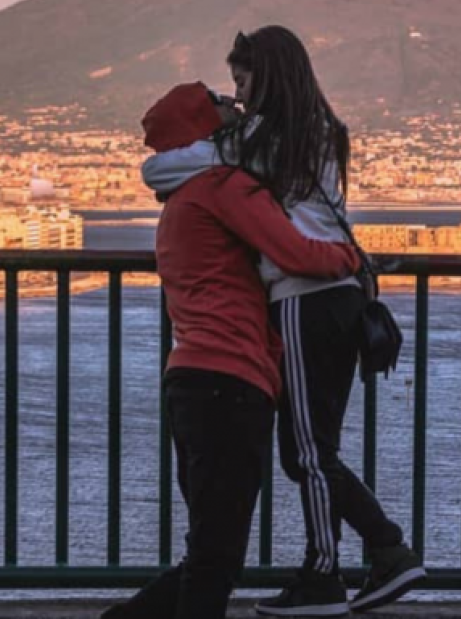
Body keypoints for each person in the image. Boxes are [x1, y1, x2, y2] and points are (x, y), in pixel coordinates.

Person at [142, 27, 424, 617]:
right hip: (338, 296)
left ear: (266, 75)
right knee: (311, 447)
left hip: (303, 295)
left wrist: (197, 140)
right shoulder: (320, 132)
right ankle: (376, 551)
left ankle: (332, 569)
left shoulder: (261, 139)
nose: (238, 97)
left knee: (308, 450)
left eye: (243, 80)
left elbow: (173, 167)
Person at [104, 83, 363, 619]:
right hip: (231, 386)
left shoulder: (179, 202)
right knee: (217, 560)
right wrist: (352, 258)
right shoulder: (222, 186)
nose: (237, 104)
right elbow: (295, 253)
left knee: (208, 553)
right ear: (203, 122)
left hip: (190, 384)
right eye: (222, 98)